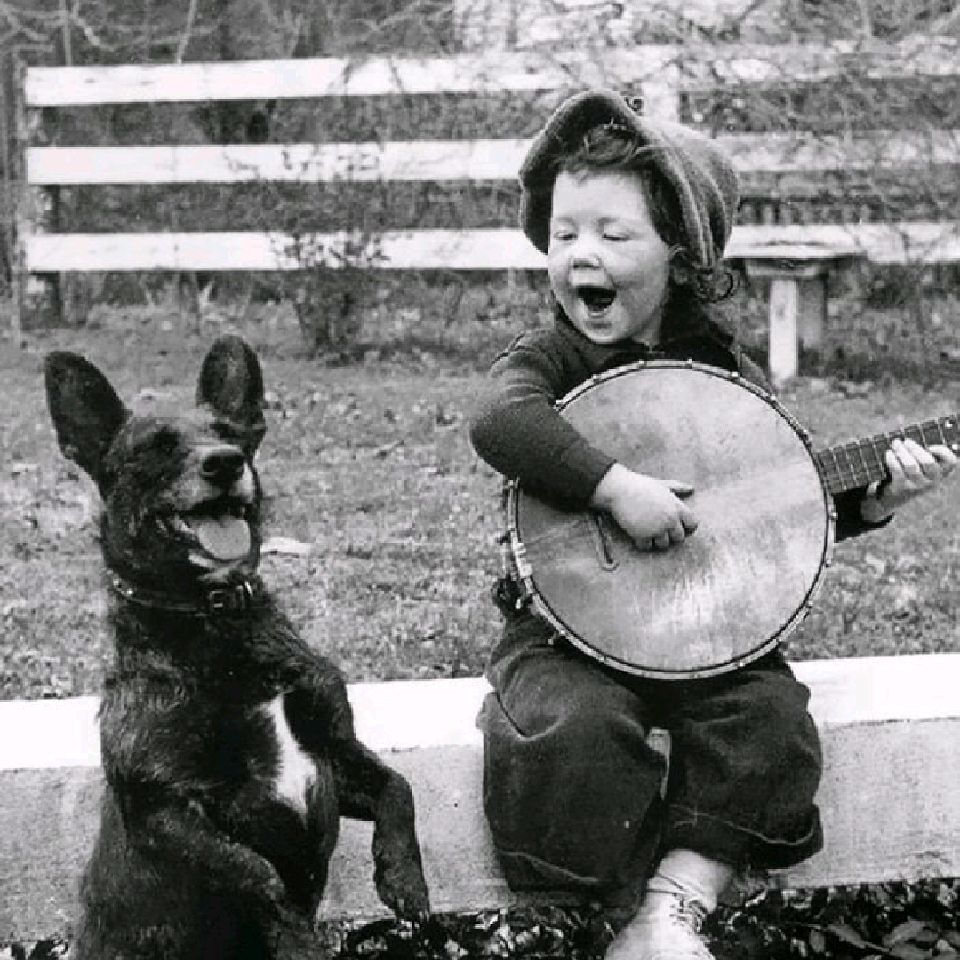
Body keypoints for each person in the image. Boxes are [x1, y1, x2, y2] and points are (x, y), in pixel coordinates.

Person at [468, 88, 957, 960]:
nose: (581, 254)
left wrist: (875, 499)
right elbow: (498, 421)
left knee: (768, 720)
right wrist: (613, 486)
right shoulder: (552, 356)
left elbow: (774, 501)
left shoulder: (725, 373)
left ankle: (673, 905)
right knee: (573, 730)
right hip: (563, 632)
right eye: (564, 234)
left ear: (682, 252)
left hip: (703, 630)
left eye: (613, 235)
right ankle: (613, 916)